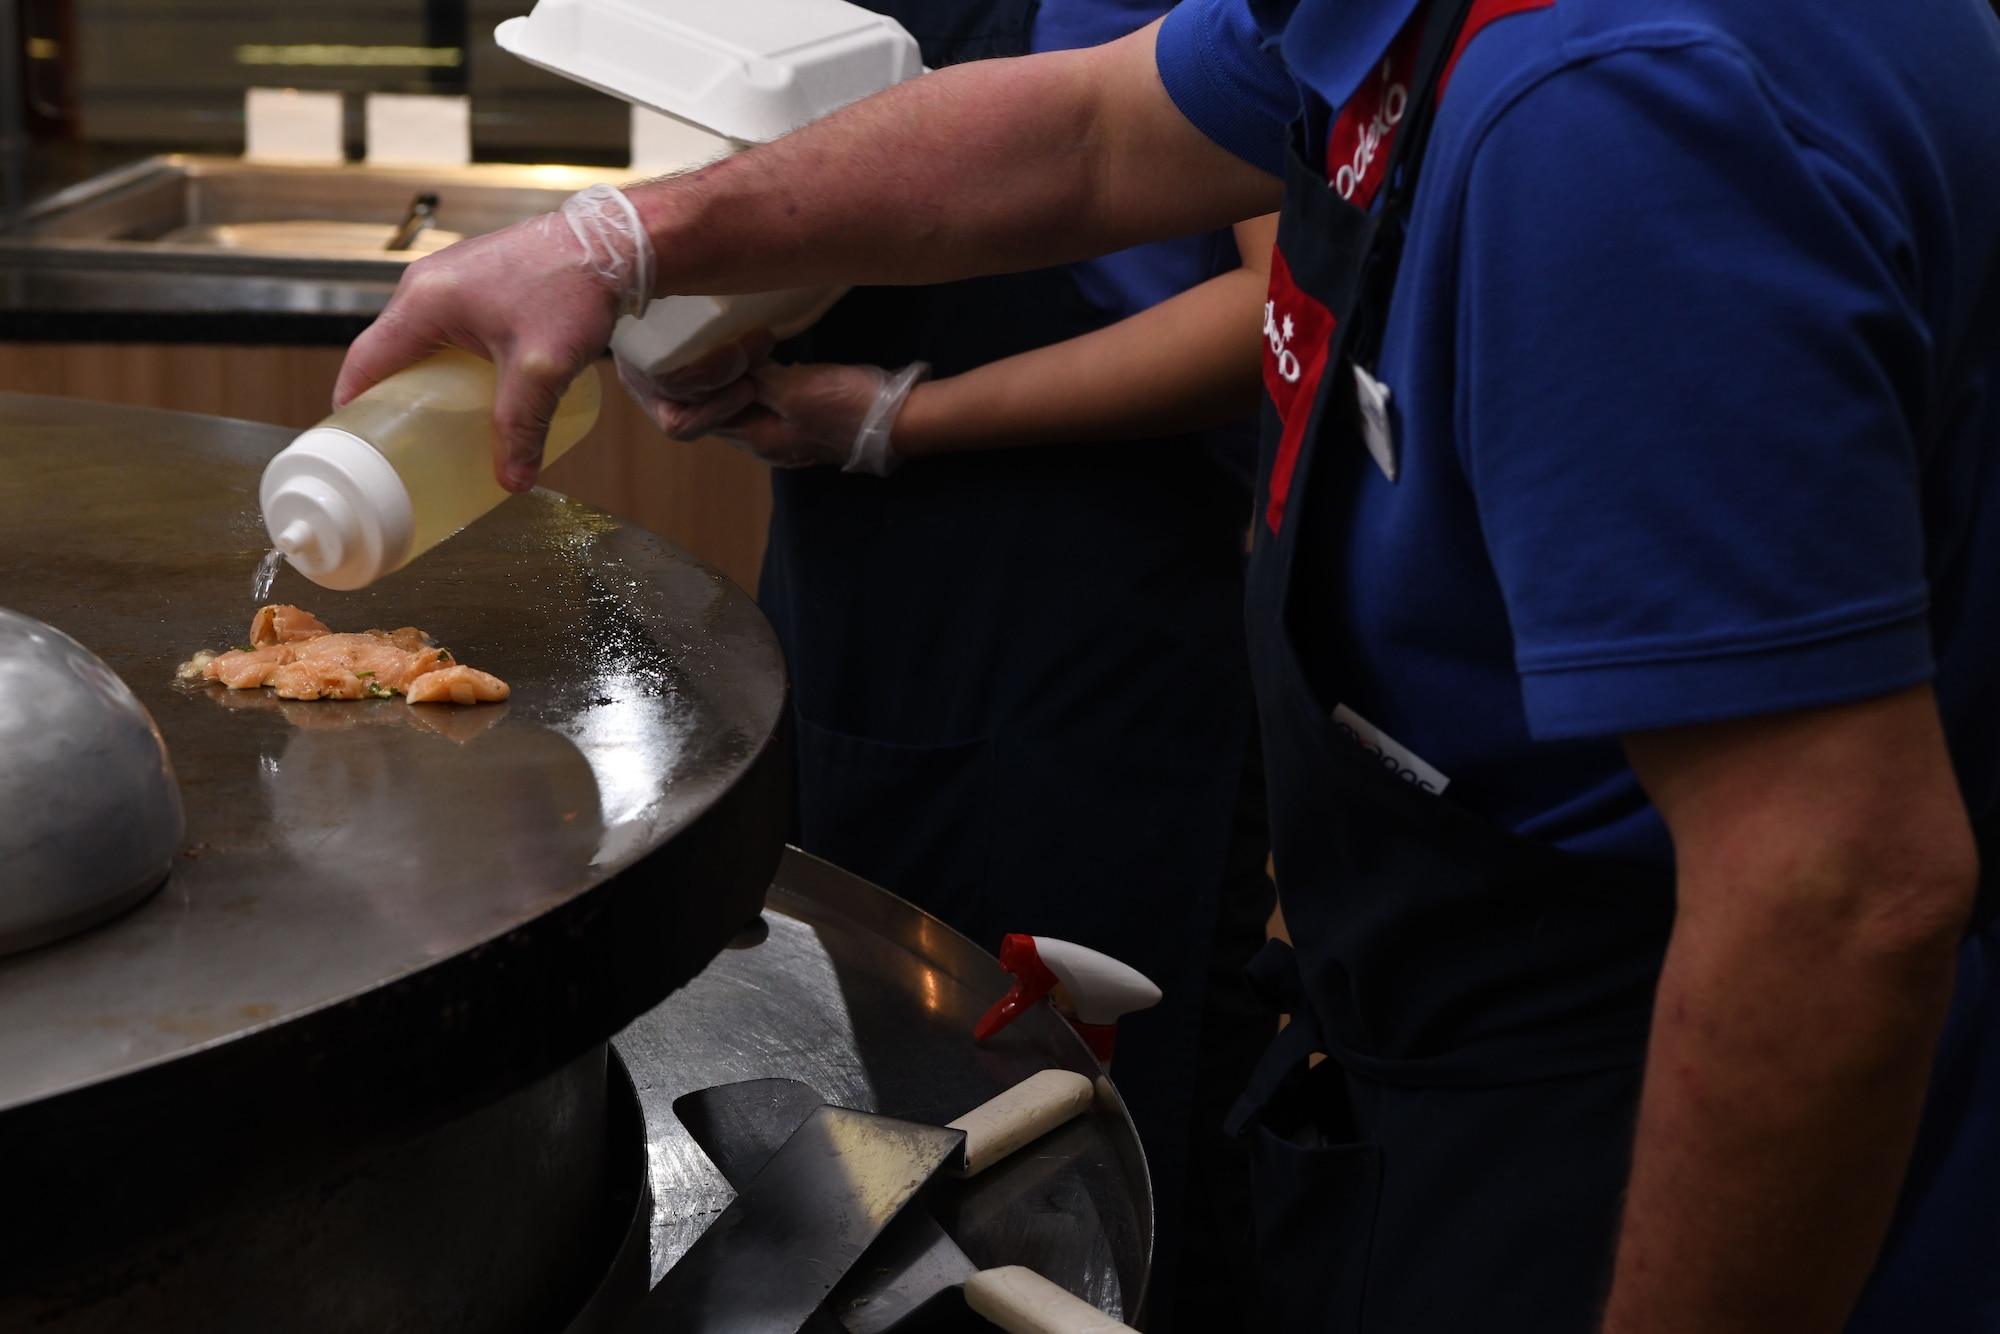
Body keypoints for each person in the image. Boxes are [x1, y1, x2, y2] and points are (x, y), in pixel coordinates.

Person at [337, 0, 2000, 1326]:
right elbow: (1093, 124)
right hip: (1469, 996)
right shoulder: (1412, 17)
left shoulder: (1616, 115)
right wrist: (619, 241)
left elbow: (1835, 898)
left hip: (1633, 1092)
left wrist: (896, 416)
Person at [616, 1, 1281, 1314]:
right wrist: (684, 318)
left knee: (1097, 1146)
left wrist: (906, 416)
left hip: (1100, 612)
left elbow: (1270, 305)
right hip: (849, 585)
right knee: (856, 1079)